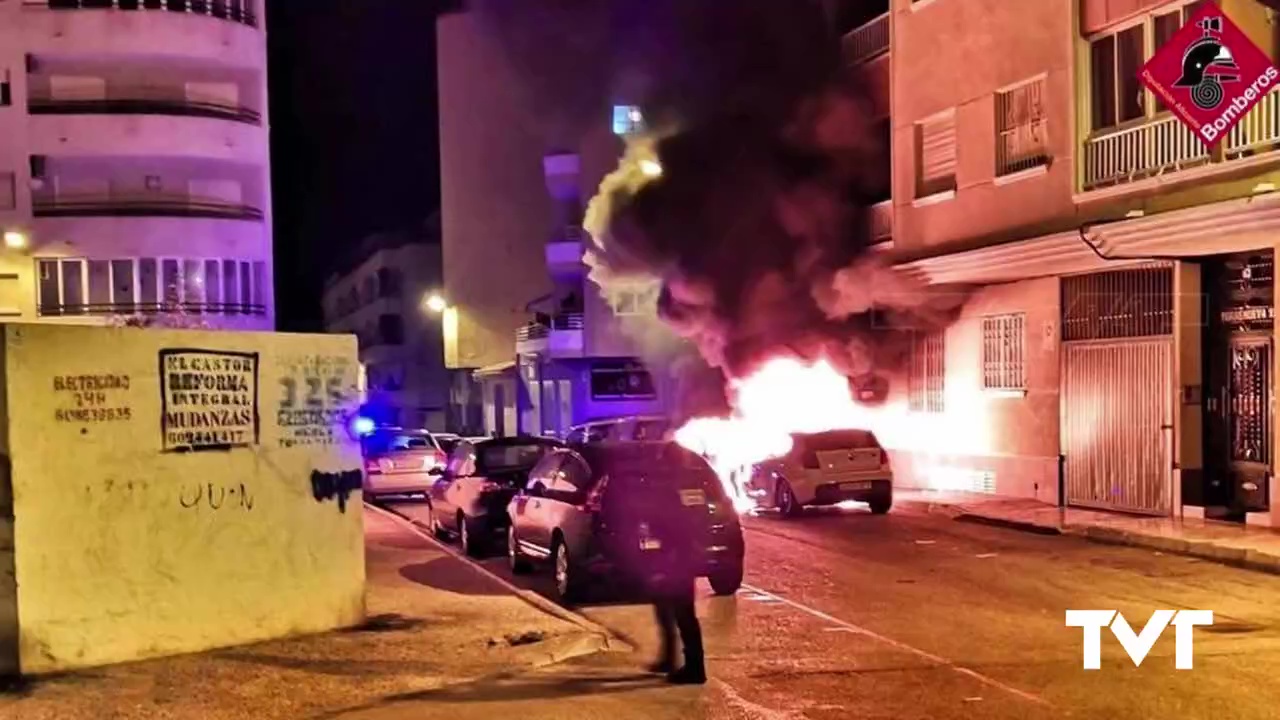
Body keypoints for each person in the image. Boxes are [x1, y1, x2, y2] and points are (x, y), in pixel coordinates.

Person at [636, 472, 707, 685]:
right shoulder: (689, 487)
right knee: (666, 608)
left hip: (676, 559)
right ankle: (670, 657)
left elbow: (670, 528)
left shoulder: (669, 492)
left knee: (683, 614)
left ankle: (695, 668)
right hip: (680, 557)